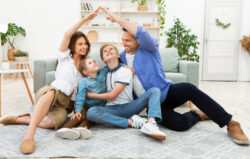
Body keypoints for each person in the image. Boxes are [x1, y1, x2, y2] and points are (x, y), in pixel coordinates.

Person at [100, 7, 249, 145]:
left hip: (167, 92)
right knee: (179, 125)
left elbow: (141, 32)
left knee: (189, 89)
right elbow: (106, 65)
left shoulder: (149, 48)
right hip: (152, 104)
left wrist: (117, 19)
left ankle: (230, 123)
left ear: (138, 40)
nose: (124, 43)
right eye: (123, 40)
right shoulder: (122, 57)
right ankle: (197, 115)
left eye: (128, 40)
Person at [0, 7, 101, 154]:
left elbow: (97, 76)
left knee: (49, 124)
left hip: (67, 103)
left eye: (86, 44)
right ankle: (29, 134)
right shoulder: (64, 57)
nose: (84, 46)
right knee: (51, 92)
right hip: (53, 93)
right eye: (80, 44)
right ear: (72, 45)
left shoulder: (86, 65)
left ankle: (22, 119)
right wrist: (86, 19)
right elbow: (68, 34)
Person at [86, 44, 166, 140]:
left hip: (128, 107)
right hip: (111, 109)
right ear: (103, 60)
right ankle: (132, 122)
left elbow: (112, 96)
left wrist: (90, 95)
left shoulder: (125, 71)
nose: (108, 51)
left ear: (118, 55)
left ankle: (151, 123)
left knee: (154, 91)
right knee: (91, 112)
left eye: (111, 49)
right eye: (105, 51)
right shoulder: (104, 73)